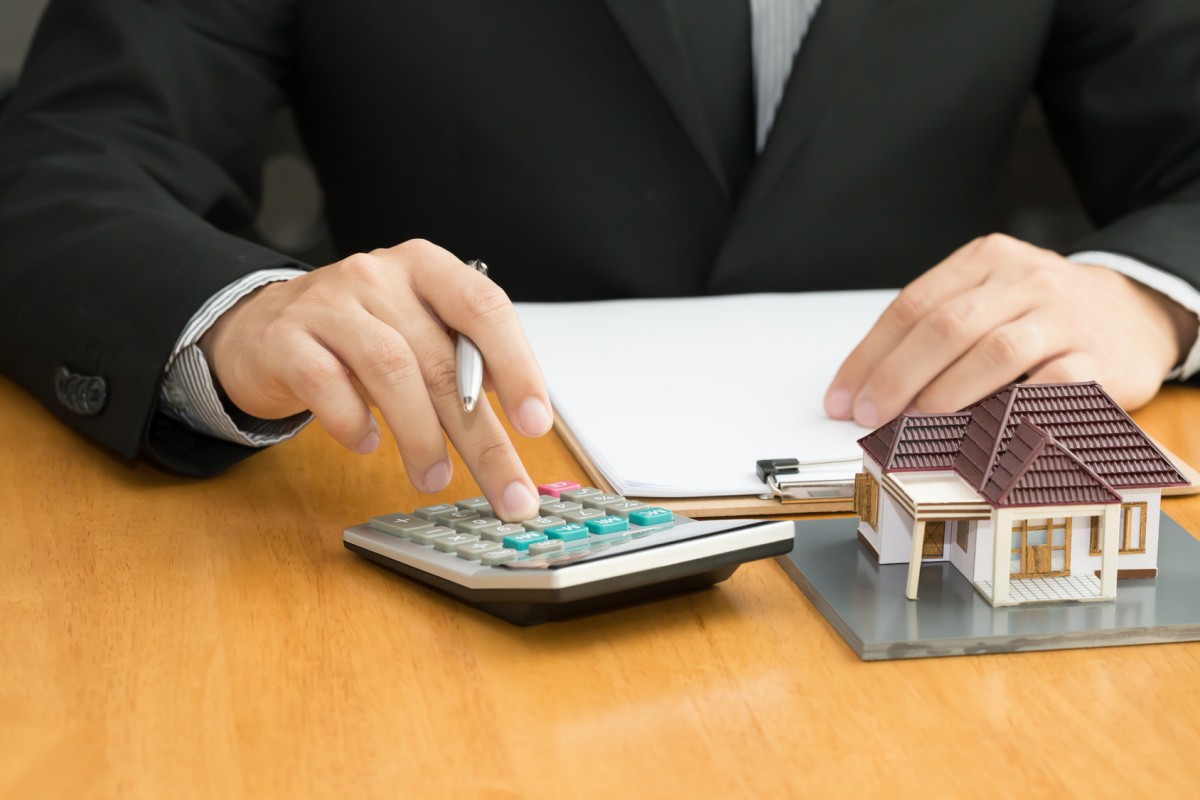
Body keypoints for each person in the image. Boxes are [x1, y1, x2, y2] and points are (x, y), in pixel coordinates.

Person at [1, 0, 1198, 522]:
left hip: (921, 526)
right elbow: (66, 151)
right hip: (441, 510)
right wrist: (239, 315)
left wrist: (1149, 294)